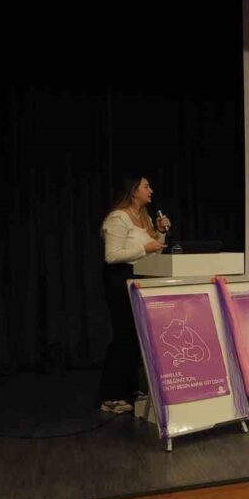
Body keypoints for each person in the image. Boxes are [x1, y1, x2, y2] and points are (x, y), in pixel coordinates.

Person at [99, 175, 170, 414]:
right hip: (120, 279)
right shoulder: (118, 218)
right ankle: (112, 395)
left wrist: (160, 233)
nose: (151, 190)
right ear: (133, 190)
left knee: (135, 337)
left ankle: (129, 390)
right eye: (146, 186)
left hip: (141, 279)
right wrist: (143, 248)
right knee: (123, 335)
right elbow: (112, 256)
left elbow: (154, 253)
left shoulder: (145, 218)